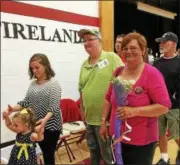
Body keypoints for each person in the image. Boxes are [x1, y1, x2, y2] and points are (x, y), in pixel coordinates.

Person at [99, 32, 171, 165]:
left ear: (143, 50)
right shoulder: (118, 72)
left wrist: (134, 111)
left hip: (141, 141)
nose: (128, 51)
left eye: (133, 48)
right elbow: (108, 98)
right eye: (125, 48)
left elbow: (164, 106)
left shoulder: (152, 74)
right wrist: (103, 121)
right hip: (117, 137)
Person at [3, 53, 62, 165]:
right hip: (36, 125)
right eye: (32, 68)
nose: (34, 70)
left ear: (45, 66)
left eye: (37, 67)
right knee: (35, 153)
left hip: (51, 127)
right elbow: (26, 102)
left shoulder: (54, 84)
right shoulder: (33, 84)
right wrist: (12, 109)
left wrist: (44, 121)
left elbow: (54, 107)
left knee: (48, 155)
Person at [78, 28, 124, 165]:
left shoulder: (111, 58)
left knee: (109, 155)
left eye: (90, 39)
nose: (86, 43)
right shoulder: (84, 65)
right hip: (90, 119)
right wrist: (82, 112)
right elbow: (81, 90)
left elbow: (123, 84)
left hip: (107, 120)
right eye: (84, 40)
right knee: (93, 152)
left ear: (99, 40)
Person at [154, 32, 180, 165]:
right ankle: (164, 158)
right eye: (161, 42)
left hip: (175, 106)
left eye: (165, 42)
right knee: (160, 133)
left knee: (176, 135)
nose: (162, 44)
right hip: (158, 106)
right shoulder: (157, 63)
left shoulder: (178, 63)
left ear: (174, 44)